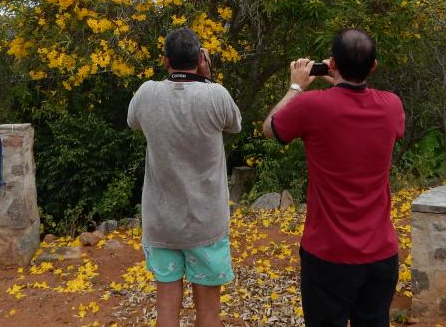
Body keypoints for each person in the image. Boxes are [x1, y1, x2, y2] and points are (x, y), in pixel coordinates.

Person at [262, 28, 405, 327]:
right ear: (374, 67)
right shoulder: (392, 106)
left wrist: (296, 87)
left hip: (328, 255)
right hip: (380, 254)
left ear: (333, 64)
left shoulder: (311, 106)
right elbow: (360, 101)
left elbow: (271, 127)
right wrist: (343, 81)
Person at [127, 27, 242, 327]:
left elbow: (132, 121)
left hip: (161, 223)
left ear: (165, 60)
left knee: (166, 308)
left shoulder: (147, 94)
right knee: (208, 310)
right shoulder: (215, 95)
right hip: (206, 223)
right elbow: (235, 124)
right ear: (200, 58)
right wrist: (208, 77)